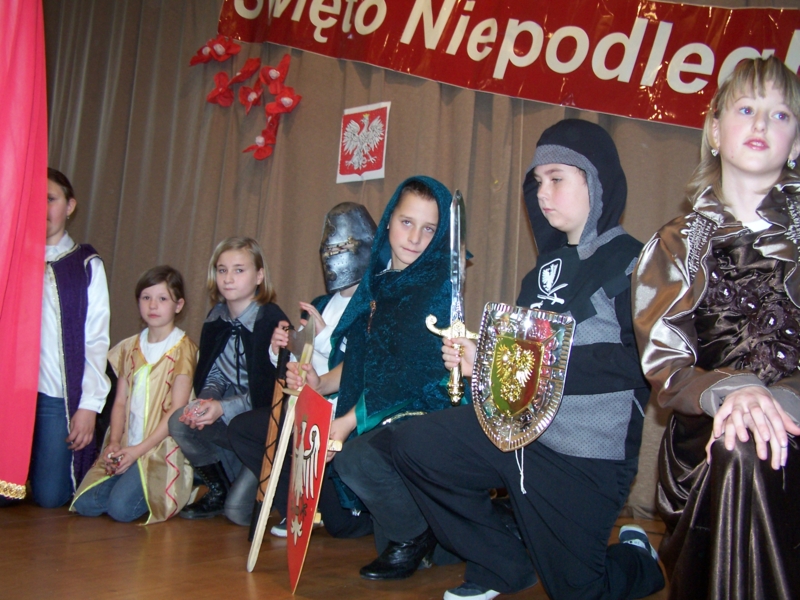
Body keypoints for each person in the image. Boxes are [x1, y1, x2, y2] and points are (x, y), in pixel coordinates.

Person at [392, 120, 666, 600]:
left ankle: (639, 558)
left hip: (584, 455)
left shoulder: (636, 263)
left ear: (596, 180)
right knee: (413, 443)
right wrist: (481, 360)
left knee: (580, 592)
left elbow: (640, 362)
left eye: (557, 178)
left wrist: (520, 358)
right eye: (538, 181)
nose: (542, 193)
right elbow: (518, 367)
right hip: (515, 436)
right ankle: (503, 565)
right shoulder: (541, 273)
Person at [632, 56, 800, 599]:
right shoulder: (675, 245)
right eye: (746, 109)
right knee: (738, 447)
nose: (761, 123)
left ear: (796, 143)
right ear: (713, 130)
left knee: (754, 443)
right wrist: (736, 392)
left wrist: (779, 402)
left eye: (780, 115)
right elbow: (668, 367)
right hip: (705, 435)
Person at [286, 176, 456, 580]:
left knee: (357, 456)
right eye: (407, 222)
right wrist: (321, 383)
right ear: (389, 220)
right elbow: (365, 361)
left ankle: (418, 535)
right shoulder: (376, 283)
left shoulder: (435, 290)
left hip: (424, 411)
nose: (414, 238)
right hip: (382, 409)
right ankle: (424, 533)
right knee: (382, 520)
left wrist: (347, 422)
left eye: (428, 228)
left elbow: (408, 374)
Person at [226, 202, 377, 536]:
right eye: (329, 247)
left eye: (343, 246)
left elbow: (360, 368)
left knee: (343, 527)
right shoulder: (321, 303)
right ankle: (294, 504)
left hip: (340, 420)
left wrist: (323, 339)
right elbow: (302, 361)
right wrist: (282, 350)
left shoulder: (373, 307)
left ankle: (344, 508)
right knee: (243, 429)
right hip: (305, 412)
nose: (334, 254)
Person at [168, 236, 287, 519]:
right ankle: (218, 489)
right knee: (180, 421)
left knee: (238, 514)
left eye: (239, 270)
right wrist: (207, 399)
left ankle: (263, 486)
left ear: (259, 276)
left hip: (261, 432)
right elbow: (217, 372)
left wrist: (222, 407)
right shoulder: (216, 318)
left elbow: (270, 395)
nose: (228, 278)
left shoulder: (271, 320)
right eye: (222, 270)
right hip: (231, 421)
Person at [71, 266, 197, 523]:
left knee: (121, 510)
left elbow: (176, 410)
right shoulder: (129, 347)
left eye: (162, 298)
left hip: (158, 448)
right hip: (128, 444)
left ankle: (183, 492)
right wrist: (115, 443)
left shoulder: (183, 349)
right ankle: (126, 482)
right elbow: (119, 402)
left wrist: (138, 451)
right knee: (85, 503)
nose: (153, 305)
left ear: (178, 305)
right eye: (146, 297)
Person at [30, 168, 111, 508]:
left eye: (50, 199)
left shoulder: (85, 264)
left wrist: (88, 406)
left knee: (50, 497)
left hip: (55, 396)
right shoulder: (12, 258)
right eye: (35, 199)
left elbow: (96, 339)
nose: (42, 207)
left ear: (70, 206)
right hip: (12, 395)